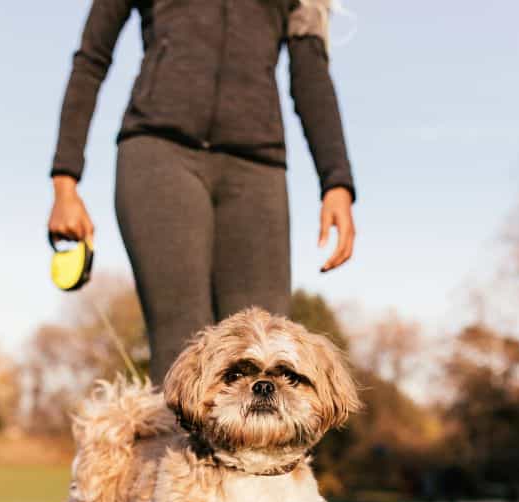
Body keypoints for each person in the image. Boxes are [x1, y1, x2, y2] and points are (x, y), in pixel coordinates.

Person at [48, 0, 358, 383]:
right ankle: (174, 443)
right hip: (159, 153)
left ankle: (255, 446)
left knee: (261, 347)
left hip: (257, 167)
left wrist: (337, 181)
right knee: (183, 346)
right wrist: (66, 181)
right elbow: (92, 58)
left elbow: (311, 76)